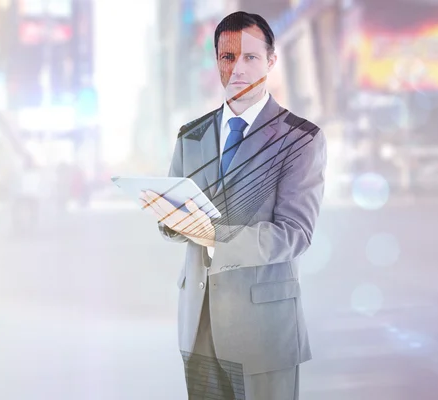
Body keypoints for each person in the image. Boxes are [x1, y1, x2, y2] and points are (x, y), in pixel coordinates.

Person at [139, 11, 327, 399]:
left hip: (263, 329)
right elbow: (172, 221)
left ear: (271, 61)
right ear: (217, 61)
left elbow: (294, 234)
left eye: (250, 57)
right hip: (199, 322)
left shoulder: (300, 140)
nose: (237, 68)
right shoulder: (190, 137)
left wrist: (212, 235)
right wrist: (170, 219)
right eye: (228, 57)